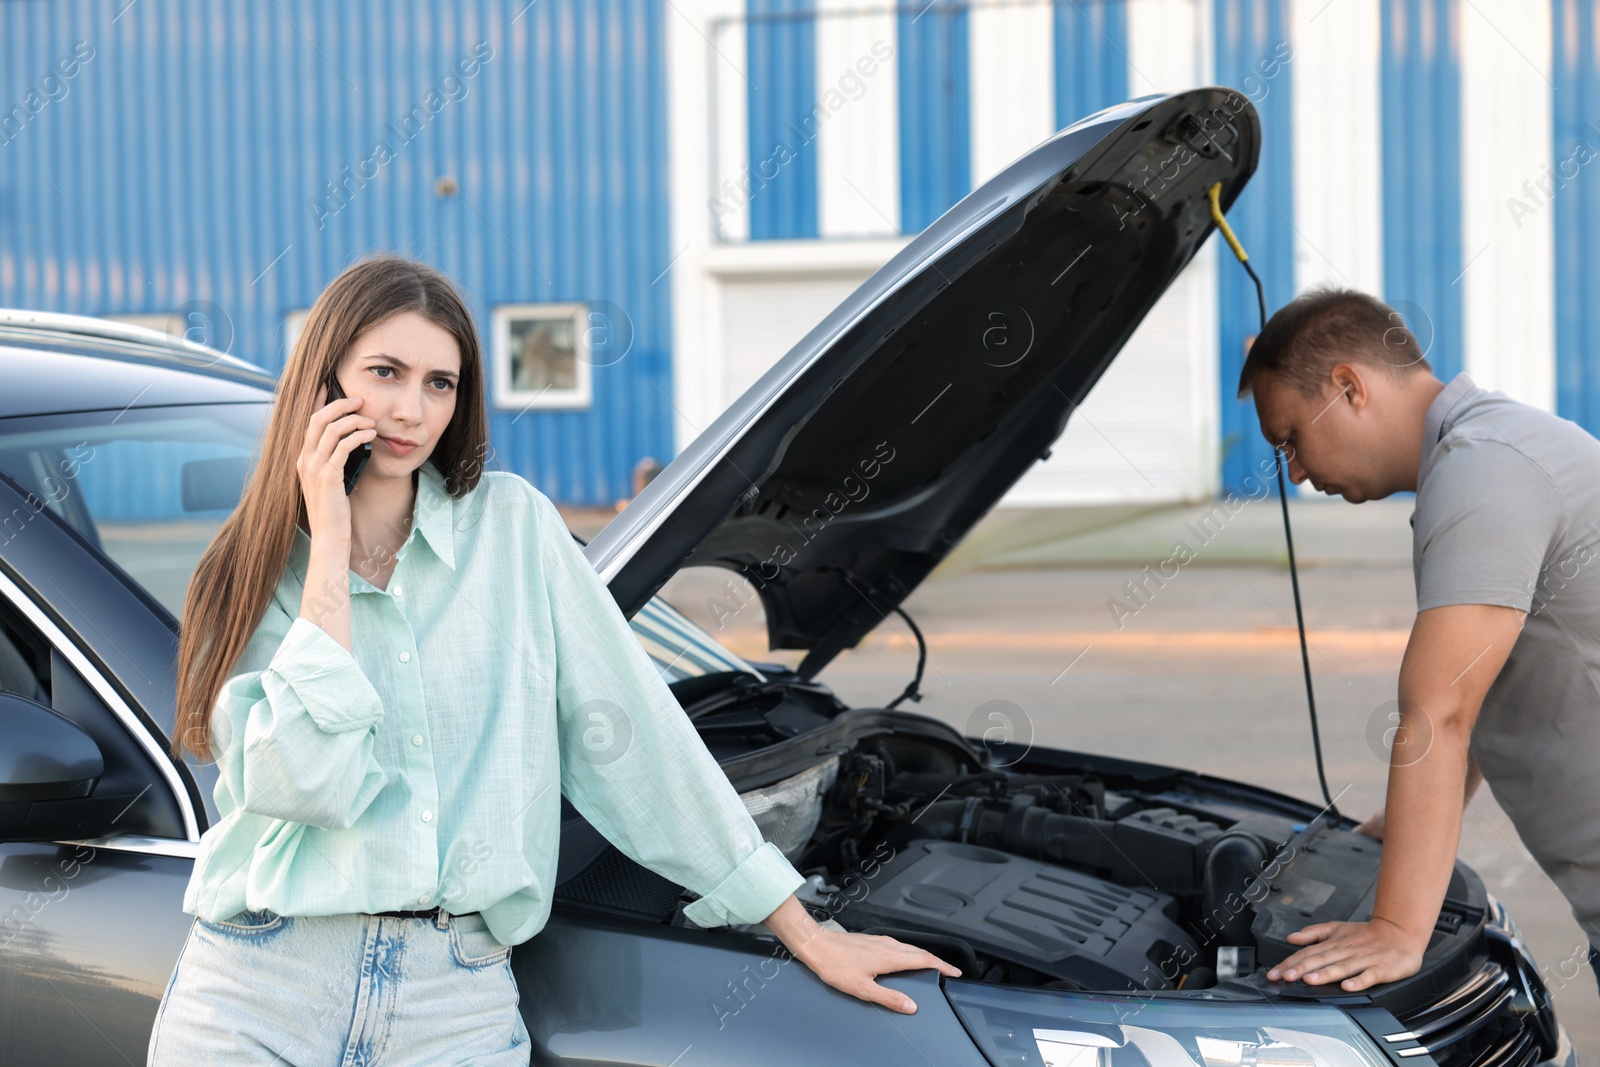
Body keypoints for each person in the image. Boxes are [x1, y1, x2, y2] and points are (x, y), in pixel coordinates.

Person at [149, 254, 957, 1065]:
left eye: (441, 383)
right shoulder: (247, 569)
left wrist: (803, 927)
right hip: (259, 990)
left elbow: (635, 737)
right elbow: (306, 784)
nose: (411, 409)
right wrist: (328, 550)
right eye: (385, 372)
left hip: (451, 1002)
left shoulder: (516, 530)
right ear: (324, 382)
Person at [1237, 286, 1600, 998]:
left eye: (1290, 440)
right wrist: (1400, 825)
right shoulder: (1492, 452)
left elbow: (1440, 708)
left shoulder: (1486, 471)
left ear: (1349, 386)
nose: (1298, 472)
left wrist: (1398, 928)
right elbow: (1488, 680)